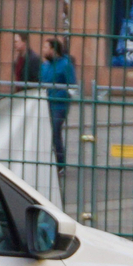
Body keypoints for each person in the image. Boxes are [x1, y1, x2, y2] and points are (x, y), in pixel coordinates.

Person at [38, 38, 78, 171]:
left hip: (59, 106)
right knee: (45, 134)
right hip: (46, 103)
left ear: (53, 50)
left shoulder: (65, 65)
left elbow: (72, 86)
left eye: (45, 48)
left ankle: (60, 164)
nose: (43, 50)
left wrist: (59, 95)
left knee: (55, 132)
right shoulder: (46, 65)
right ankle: (49, 162)